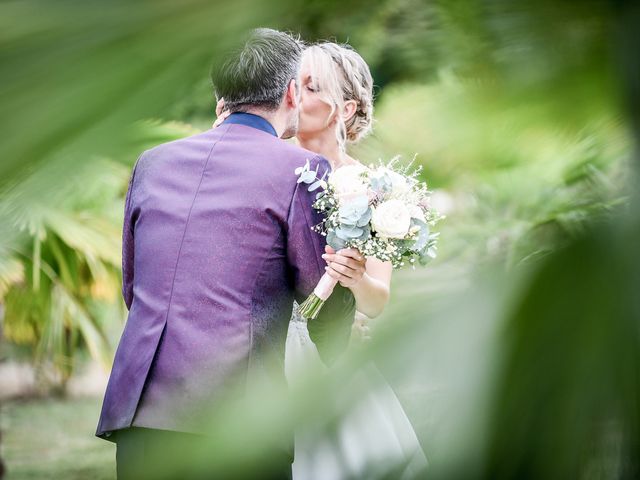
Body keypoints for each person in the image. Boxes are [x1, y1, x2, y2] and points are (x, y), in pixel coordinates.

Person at [95, 29, 358, 480]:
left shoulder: (152, 162)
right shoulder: (302, 169)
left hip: (141, 411)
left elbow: (134, 287)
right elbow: (320, 293)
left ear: (222, 96)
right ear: (292, 92)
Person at [217, 41, 428, 480]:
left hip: (329, 355)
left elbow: (376, 302)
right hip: (259, 352)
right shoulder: (258, 168)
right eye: (295, 82)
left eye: (311, 87)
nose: (294, 93)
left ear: (346, 109)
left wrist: (354, 280)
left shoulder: (375, 189)